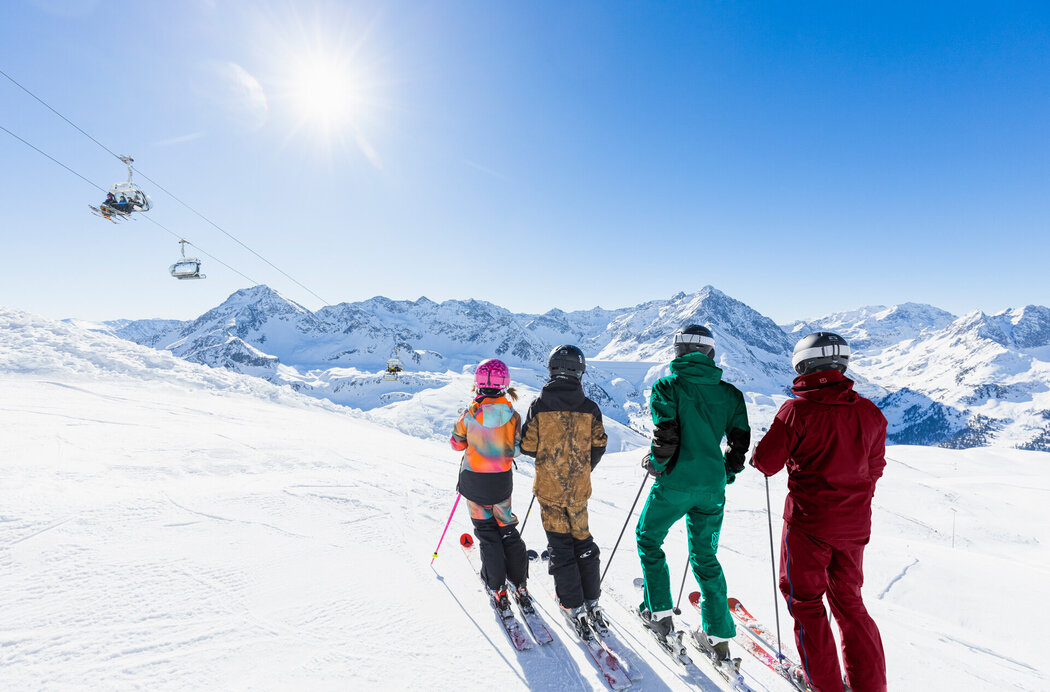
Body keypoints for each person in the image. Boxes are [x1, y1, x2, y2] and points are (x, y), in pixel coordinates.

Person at [751, 332, 887, 692]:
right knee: (850, 604)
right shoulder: (870, 412)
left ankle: (824, 685)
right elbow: (874, 469)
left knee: (806, 602)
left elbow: (766, 464)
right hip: (854, 526)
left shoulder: (796, 411)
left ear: (803, 365)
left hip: (809, 525)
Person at [635, 324, 750, 662]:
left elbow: (666, 437)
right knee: (705, 556)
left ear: (678, 352)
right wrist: (726, 472)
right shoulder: (730, 394)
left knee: (648, 537)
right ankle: (716, 633)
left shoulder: (667, 386)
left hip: (676, 483)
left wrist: (655, 463)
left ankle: (658, 611)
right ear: (711, 354)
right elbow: (739, 442)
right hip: (712, 488)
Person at [520, 345, 608, 639]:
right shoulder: (590, 407)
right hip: (579, 490)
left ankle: (572, 604)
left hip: (549, 488)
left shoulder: (539, 405)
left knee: (560, 544)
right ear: (579, 371)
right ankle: (591, 598)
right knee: (583, 540)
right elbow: (599, 444)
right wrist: (584, 468)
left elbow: (528, 446)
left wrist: (548, 460)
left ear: (552, 369)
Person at [450, 358, 531, 617]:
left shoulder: (470, 415)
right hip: (501, 482)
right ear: (504, 385)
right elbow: (517, 449)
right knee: (507, 530)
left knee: (486, 533)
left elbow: (456, 444)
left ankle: (497, 588)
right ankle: (520, 584)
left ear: (478, 384)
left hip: (474, 481)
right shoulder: (513, 416)